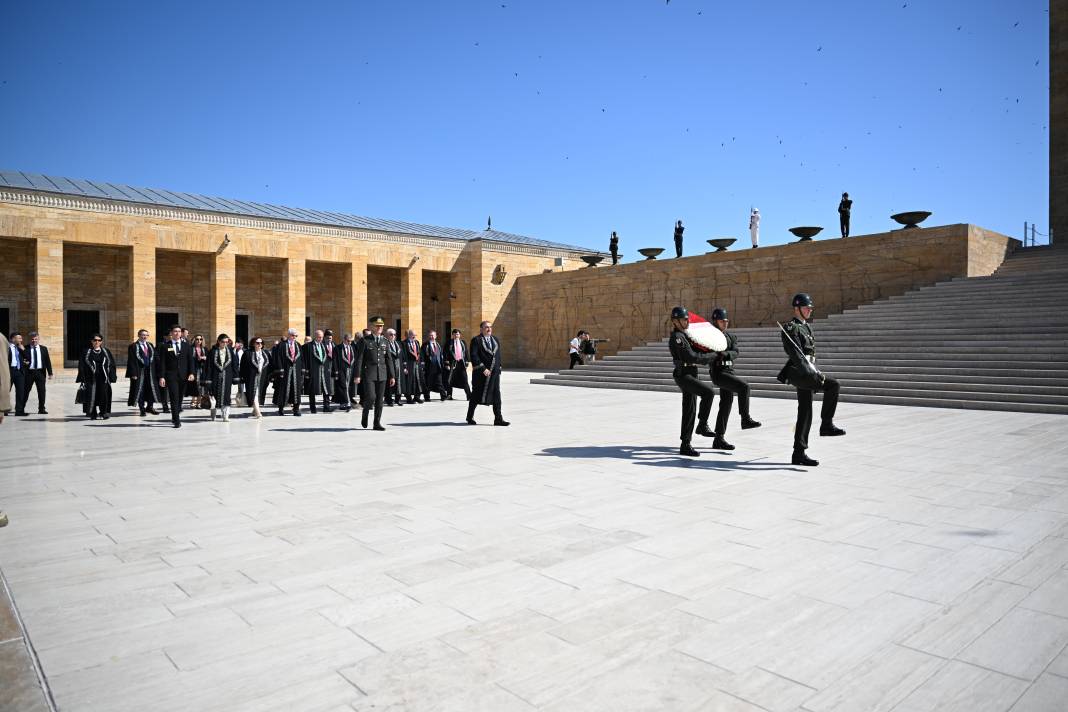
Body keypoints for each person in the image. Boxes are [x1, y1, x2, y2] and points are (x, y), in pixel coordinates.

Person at [778, 293, 846, 467]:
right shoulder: (790, 328)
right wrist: (811, 374)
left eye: (810, 308)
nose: (809, 310)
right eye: (806, 307)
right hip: (799, 373)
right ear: (797, 308)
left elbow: (809, 356)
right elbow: (797, 356)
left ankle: (798, 453)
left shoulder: (807, 328)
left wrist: (814, 370)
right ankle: (826, 425)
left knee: (805, 411)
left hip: (809, 370)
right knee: (833, 385)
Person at [708, 308, 761, 450]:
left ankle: (719, 439)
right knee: (744, 387)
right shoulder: (710, 337)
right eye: (721, 321)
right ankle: (745, 418)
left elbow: (736, 352)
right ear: (715, 322)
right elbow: (710, 352)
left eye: (726, 321)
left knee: (726, 403)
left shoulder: (730, 337)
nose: (725, 323)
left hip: (729, 372)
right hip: (719, 373)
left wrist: (725, 354)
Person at [668, 307, 718, 456]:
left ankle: (685, 444)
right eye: (683, 319)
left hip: (691, 373)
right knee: (708, 392)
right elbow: (691, 357)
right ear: (675, 321)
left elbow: (698, 351)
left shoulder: (686, 336)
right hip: (683, 374)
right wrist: (711, 357)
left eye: (687, 319)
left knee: (689, 410)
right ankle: (702, 425)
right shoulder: (677, 337)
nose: (686, 321)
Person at [354, 316, 395, 430]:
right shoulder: (365, 340)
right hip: (369, 374)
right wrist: (357, 375)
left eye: (381, 326)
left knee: (379, 400)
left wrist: (392, 376)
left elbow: (389, 359)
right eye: (377, 326)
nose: (379, 328)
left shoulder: (385, 341)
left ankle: (376, 423)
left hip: (382, 374)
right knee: (371, 397)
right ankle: (365, 412)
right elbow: (360, 359)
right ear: (372, 327)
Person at [466, 321, 509, 426]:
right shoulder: (476, 340)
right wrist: (483, 368)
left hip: (494, 374)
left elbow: (498, 355)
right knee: (476, 396)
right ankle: (469, 416)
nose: (489, 329)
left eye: (490, 327)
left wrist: (499, 366)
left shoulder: (495, 340)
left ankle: (498, 419)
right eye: (486, 327)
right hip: (481, 374)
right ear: (481, 329)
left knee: (496, 396)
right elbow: (474, 356)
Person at [155, 325, 196, 428]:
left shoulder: (186, 346)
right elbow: (162, 363)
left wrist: (191, 373)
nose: (177, 333)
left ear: (181, 333)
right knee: (174, 397)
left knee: (180, 398)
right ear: (171, 333)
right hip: (171, 376)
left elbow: (190, 361)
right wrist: (162, 377)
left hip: (183, 376)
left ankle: (174, 415)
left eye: (179, 331)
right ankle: (177, 420)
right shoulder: (165, 346)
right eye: (175, 331)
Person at [76, 334, 117, 420]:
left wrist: (112, 376)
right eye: (95, 340)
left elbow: (112, 364)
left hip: (103, 378)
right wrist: (82, 377)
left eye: (99, 340)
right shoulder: (86, 351)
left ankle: (104, 412)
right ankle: (92, 413)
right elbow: (81, 365)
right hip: (91, 378)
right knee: (92, 396)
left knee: (104, 395)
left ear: (101, 342)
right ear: (92, 341)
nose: (97, 342)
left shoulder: (106, 351)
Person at [125, 329, 160, 416]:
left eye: (146, 335)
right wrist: (133, 373)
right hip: (139, 371)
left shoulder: (150, 345)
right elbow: (131, 360)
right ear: (139, 335)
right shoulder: (133, 346)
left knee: (151, 389)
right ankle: (142, 408)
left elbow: (156, 357)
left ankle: (150, 407)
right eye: (142, 335)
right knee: (140, 390)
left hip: (150, 372)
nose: (144, 337)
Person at [271, 328, 304, 416]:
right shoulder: (282, 345)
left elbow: (302, 359)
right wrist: (280, 370)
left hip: (296, 371)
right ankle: (281, 408)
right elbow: (278, 358)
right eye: (293, 335)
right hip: (285, 372)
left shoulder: (298, 345)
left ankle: (296, 409)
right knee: (283, 390)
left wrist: (302, 370)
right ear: (289, 335)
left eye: (296, 336)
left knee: (296, 390)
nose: (294, 337)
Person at [208, 334, 239, 421]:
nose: (225, 344)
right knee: (214, 395)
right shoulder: (213, 351)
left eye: (227, 342)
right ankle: (213, 412)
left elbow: (234, 365)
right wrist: (208, 379)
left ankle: (225, 415)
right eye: (223, 342)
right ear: (218, 341)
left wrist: (235, 377)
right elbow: (209, 366)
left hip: (227, 377)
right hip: (215, 377)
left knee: (226, 395)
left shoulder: (230, 351)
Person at [303, 329, 333, 414]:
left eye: (322, 337)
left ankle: (326, 407)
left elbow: (327, 357)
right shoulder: (308, 346)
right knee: (312, 389)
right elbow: (305, 360)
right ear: (315, 336)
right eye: (319, 337)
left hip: (324, 371)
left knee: (326, 389)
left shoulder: (323, 345)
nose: (321, 339)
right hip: (313, 371)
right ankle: (313, 408)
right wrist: (306, 371)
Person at [241, 336, 271, 418]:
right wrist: (242, 377)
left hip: (262, 378)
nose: (260, 344)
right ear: (253, 344)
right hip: (251, 378)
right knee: (253, 394)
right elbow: (243, 366)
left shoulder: (266, 353)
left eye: (261, 343)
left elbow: (270, 365)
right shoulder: (247, 353)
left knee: (259, 394)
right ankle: (258, 413)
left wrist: (270, 376)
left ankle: (255, 410)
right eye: (257, 343)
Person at [22, 331, 53, 415]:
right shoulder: (25, 348)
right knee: (26, 391)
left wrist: (50, 373)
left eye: (36, 339)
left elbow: (47, 361)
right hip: (29, 373)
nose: (34, 341)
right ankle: (21, 408)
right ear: (30, 340)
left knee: (42, 391)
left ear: (38, 339)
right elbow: (23, 360)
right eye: (32, 339)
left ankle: (41, 408)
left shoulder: (44, 348)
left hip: (40, 372)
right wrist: (24, 363)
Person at [333, 333, 358, 412]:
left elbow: (356, 360)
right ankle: (346, 403)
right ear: (344, 339)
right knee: (343, 386)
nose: (349, 343)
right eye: (348, 341)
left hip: (351, 370)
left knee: (350, 386)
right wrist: (336, 372)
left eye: (351, 341)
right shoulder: (338, 348)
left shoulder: (353, 347)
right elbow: (335, 361)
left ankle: (346, 401)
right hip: (341, 370)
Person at [444, 328, 470, 401]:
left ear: (460, 335)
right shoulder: (449, 342)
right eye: (455, 334)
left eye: (458, 334)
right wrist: (446, 364)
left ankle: (469, 395)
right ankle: (449, 395)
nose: (456, 336)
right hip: (452, 363)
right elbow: (445, 353)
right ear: (452, 335)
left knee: (465, 379)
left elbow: (466, 352)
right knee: (450, 379)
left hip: (461, 363)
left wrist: (467, 361)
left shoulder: (463, 342)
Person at [422, 330, 447, 402]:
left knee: (439, 382)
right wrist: (423, 366)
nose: (431, 337)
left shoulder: (438, 344)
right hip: (429, 367)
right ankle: (427, 397)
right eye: (430, 335)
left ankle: (443, 396)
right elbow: (422, 356)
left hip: (438, 367)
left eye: (433, 335)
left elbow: (441, 355)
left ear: (436, 336)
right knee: (428, 383)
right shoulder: (425, 345)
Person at [401, 329, 425, 403]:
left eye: (415, 335)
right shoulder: (404, 343)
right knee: (409, 381)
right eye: (413, 335)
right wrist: (404, 367)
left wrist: (422, 363)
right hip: (409, 364)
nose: (414, 337)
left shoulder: (417, 342)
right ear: (409, 335)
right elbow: (403, 355)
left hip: (417, 364)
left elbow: (420, 353)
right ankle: (408, 398)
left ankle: (417, 396)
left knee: (419, 380)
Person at [7, 332, 27, 416]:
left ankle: (19, 411)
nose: (21, 340)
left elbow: (27, 357)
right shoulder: (6, 348)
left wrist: (23, 349)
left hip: (19, 372)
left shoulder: (19, 348)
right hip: (9, 372)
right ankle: (4, 410)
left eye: (21, 338)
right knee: (6, 392)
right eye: (19, 338)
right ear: (13, 339)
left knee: (20, 392)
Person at [384, 328, 405, 407]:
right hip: (389, 366)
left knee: (399, 383)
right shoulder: (385, 344)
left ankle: (398, 399)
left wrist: (404, 365)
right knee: (390, 383)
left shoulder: (399, 344)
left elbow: (402, 356)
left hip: (399, 366)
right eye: (391, 334)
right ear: (387, 335)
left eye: (394, 334)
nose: (393, 336)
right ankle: (389, 400)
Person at [188, 334, 209, 408]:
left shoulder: (205, 349)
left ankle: (199, 402)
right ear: (194, 340)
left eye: (201, 339)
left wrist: (205, 357)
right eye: (197, 339)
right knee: (194, 385)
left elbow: (209, 358)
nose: (199, 341)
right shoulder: (190, 348)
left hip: (202, 369)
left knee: (201, 386)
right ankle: (193, 401)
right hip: (194, 369)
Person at [232, 340, 246, 406]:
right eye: (238, 345)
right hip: (236, 370)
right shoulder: (234, 351)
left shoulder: (245, 351)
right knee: (239, 386)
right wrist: (234, 349)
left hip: (243, 370)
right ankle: (239, 400)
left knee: (242, 386)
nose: (240, 346)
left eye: (241, 345)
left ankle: (242, 400)